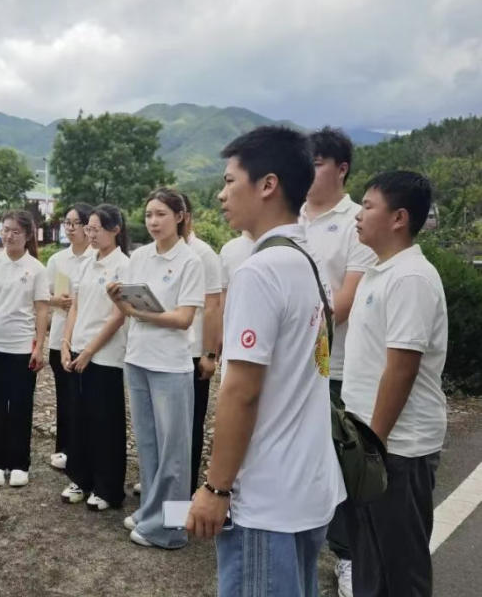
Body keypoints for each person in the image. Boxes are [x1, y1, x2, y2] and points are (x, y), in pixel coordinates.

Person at [187, 126, 346, 597]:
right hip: (309, 484)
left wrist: (215, 490)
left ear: (268, 184)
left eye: (230, 180)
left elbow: (242, 390)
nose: (220, 194)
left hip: (266, 498)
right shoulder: (307, 257)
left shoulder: (259, 270)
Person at [341, 171, 447, 597]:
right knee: (370, 560)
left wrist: (374, 446)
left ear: (399, 217)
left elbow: (401, 369)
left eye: (368, 206)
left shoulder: (412, 278)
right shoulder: (379, 272)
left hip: (398, 448)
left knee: (402, 569)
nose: (358, 215)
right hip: (374, 442)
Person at [301, 126, 377, 597]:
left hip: (336, 366)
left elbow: (344, 302)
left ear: (341, 168)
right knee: (299, 459)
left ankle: (347, 556)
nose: (308, 173)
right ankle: (305, 545)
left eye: (316, 164)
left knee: (339, 460)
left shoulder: (357, 223)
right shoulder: (290, 218)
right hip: (288, 367)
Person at [108, 187, 204, 549]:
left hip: (170, 364)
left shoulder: (190, 261)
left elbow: (183, 318)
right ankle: (151, 512)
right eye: (149, 214)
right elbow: (130, 304)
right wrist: (118, 298)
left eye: (161, 214)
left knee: (174, 450)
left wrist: (138, 313)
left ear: (179, 216)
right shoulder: (140, 256)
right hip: (138, 358)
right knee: (148, 443)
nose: (153, 221)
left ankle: (172, 529)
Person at [0, 210, 50, 488]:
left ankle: (19, 463)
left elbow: (42, 310)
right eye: (5, 229)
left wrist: (39, 347)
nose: (9, 235)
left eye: (15, 231)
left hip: (20, 347)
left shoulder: (37, 269)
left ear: (28, 236)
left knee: (20, 406)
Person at [59, 204, 130, 511]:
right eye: (88, 229)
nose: (91, 234)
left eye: (96, 229)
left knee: (105, 421)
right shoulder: (87, 263)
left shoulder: (123, 266)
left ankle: (107, 486)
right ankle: (80, 477)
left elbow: (118, 316)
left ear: (115, 230)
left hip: (105, 355)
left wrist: (89, 350)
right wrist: (66, 342)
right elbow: (75, 305)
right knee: (78, 417)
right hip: (77, 349)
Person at [45, 203, 96, 470]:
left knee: (84, 398)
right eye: (67, 223)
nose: (70, 228)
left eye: (75, 223)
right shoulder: (58, 260)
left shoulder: (95, 258)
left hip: (86, 339)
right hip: (59, 338)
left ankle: (84, 449)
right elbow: (45, 296)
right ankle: (63, 449)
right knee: (64, 396)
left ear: (89, 227)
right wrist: (57, 300)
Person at [179, 193, 223, 496]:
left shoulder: (203, 253)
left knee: (190, 425)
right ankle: (163, 480)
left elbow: (212, 307)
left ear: (184, 216)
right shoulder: (161, 252)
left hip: (193, 352)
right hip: (166, 352)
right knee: (166, 424)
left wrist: (209, 353)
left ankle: (183, 488)